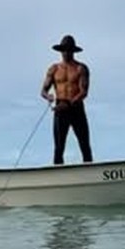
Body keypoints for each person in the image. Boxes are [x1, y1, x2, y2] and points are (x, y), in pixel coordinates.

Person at [41, 34, 93, 164]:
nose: (66, 52)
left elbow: (84, 92)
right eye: (64, 50)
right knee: (59, 147)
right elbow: (43, 91)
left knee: (84, 144)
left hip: (76, 107)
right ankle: (57, 172)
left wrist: (70, 104)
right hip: (60, 107)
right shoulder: (54, 69)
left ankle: (90, 169)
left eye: (69, 50)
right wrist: (49, 97)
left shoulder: (80, 68)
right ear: (60, 51)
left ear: (73, 51)